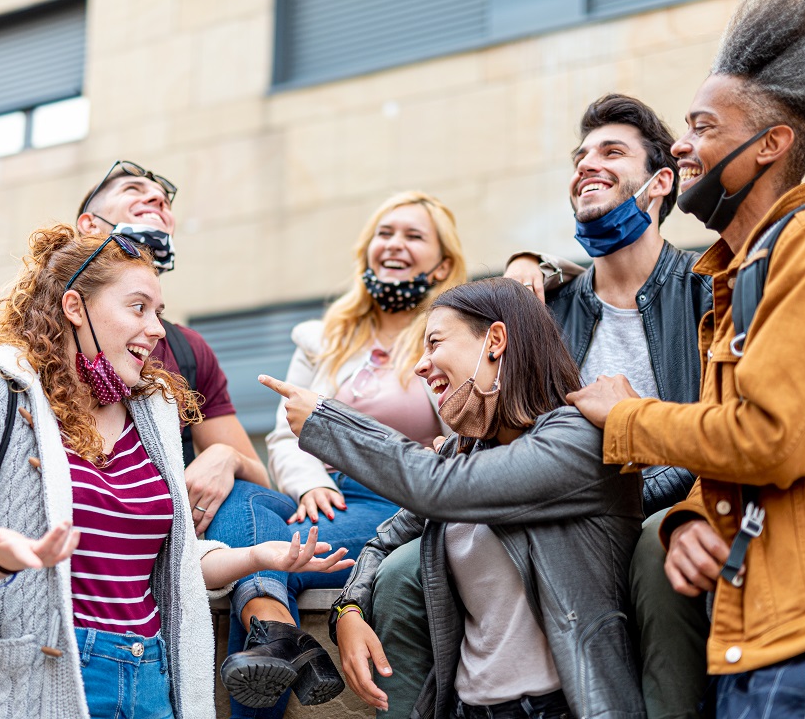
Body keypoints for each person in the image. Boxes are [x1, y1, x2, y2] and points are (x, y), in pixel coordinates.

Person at [570, 0, 805, 716]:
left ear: (769, 144)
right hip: (763, 630)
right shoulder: (735, 277)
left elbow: (771, 438)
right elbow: (737, 446)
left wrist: (626, 419)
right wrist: (689, 518)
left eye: (702, 127)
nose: (681, 148)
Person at [0, 226, 351, 719]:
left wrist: (257, 557)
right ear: (75, 308)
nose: (157, 328)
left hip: (148, 679)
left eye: (158, 312)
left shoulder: (151, 414)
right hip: (30, 685)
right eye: (138, 308)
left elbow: (164, 567)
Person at [371, 95, 714, 718]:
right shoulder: (552, 305)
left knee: (654, 553)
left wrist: (629, 489)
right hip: (545, 495)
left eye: (613, 153)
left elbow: (710, 428)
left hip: (650, 499)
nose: (588, 164)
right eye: (580, 156)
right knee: (400, 573)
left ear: (661, 182)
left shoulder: (703, 295)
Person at [260, 277, 646, 719]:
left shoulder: (577, 440)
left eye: (434, 344)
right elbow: (383, 541)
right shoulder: (461, 452)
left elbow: (442, 487)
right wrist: (348, 610)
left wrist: (328, 422)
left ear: (495, 341)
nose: (420, 367)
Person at [207, 190, 468, 716]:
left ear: (442, 264)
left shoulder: (453, 337)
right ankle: (280, 631)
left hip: (396, 500)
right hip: (325, 495)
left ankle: (272, 629)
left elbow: (458, 438)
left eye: (413, 236)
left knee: (269, 561)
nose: (394, 244)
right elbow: (284, 431)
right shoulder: (324, 338)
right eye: (384, 233)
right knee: (240, 498)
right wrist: (311, 484)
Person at [76, 160, 270, 535]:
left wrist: (223, 456)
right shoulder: (27, 338)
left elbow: (259, 482)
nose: (156, 200)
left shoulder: (186, 349)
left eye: (165, 202)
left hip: (175, 544)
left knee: (243, 499)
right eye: (133, 191)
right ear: (89, 225)